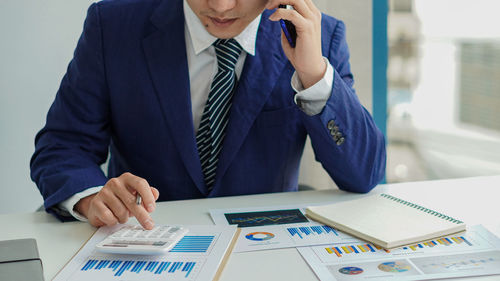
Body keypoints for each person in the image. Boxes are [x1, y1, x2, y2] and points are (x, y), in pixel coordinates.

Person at [30, 0, 386, 230]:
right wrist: (92, 197)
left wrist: (314, 76)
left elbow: (364, 173)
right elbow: (63, 145)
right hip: (144, 245)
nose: (220, 5)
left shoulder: (319, 37)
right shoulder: (112, 24)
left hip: (264, 250)